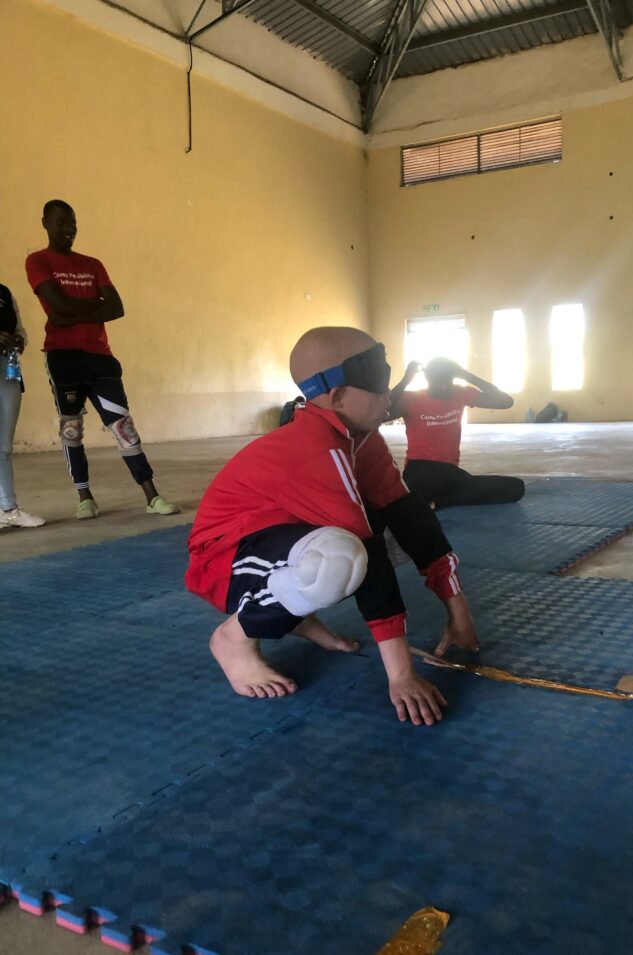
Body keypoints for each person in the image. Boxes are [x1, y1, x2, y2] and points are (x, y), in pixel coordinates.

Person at [186, 327, 480, 727]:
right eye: (378, 384)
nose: (389, 396)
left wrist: (457, 609)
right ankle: (233, 640)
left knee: (392, 525)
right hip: (224, 561)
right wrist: (402, 675)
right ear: (337, 396)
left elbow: (411, 516)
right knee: (342, 558)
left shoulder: (362, 438)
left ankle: (298, 617)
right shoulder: (316, 448)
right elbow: (368, 553)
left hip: (282, 540)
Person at [25, 200, 179, 520]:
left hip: (99, 357)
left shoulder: (93, 263)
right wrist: (94, 305)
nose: (68, 229)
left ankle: (151, 495)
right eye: (60, 222)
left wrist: (72, 311)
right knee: (72, 430)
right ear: (45, 223)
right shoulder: (37, 260)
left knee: (123, 426)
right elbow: (59, 307)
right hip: (62, 357)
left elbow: (116, 307)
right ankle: (85, 498)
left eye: (73, 223)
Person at [388, 356, 525, 508]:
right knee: (424, 489)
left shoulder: (461, 394)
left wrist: (466, 375)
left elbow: (505, 402)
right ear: (427, 379)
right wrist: (405, 381)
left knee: (516, 488)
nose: (444, 388)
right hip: (420, 469)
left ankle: (436, 502)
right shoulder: (410, 398)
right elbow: (381, 413)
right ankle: (433, 499)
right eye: (438, 383)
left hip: (450, 471)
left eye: (448, 382)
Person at [0, 282, 45, 529]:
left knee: (4, 446)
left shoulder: (4, 292)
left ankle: (8, 508)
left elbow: (20, 330)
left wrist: (18, 340)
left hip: (7, 369)